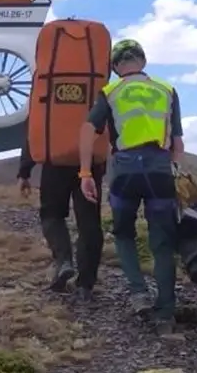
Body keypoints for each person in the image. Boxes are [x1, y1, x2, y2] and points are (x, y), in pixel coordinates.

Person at [78, 39, 185, 335]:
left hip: (125, 170)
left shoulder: (111, 91)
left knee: (123, 232)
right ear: (143, 61)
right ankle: (166, 313)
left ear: (115, 66)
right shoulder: (167, 90)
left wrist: (86, 172)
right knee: (162, 242)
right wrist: (176, 170)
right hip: (160, 168)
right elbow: (177, 142)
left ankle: (138, 293)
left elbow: (88, 129)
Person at [17, 136, 106, 299]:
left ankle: (63, 261)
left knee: (51, 215)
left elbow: (32, 133)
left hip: (54, 164)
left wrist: (24, 172)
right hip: (90, 165)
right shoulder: (93, 107)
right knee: (89, 223)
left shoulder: (43, 107)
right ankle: (85, 285)